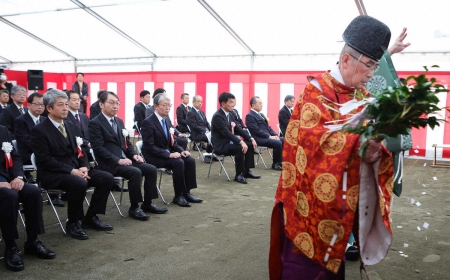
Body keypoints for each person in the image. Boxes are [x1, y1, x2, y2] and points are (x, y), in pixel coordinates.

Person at [268, 15, 394, 279]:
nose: (371, 74)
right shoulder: (316, 92)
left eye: (375, 66)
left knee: (334, 268)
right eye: (369, 66)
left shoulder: (359, 95)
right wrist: (361, 144)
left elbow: (370, 136)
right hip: (308, 205)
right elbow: (315, 147)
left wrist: (375, 149)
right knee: (307, 271)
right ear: (347, 60)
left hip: (342, 204)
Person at [31, 89, 116, 240]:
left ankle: (91, 216)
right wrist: (71, 170)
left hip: (76, 169)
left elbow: (81, 149)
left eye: (66, 104)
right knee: (78, 183)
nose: (65, 108)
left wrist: (84, 166)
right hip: (53, 173)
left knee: (107, 178)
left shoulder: (71, 126)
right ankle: (73, 222)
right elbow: (45, 159)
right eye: (60, 105)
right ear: (49, 108)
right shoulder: (39, 130)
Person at [88, 91, 165, 220]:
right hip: (109, 163)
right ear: (101, 104)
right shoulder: (95, 123)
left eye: (117, 103)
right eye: (111, 103)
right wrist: (118, 160)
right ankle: (135, 208)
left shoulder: (119, 120)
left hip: (126, 160)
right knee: (135, 172)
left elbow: (127, 142)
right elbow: (98, 148)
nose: (115, 106)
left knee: (150, 169)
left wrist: (134, 155)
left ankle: (148, 203)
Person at [0, 125, 56, 272]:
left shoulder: (2, 130)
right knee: (9, 196)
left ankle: (32, 241)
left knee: (33, 192)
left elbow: (15, 157)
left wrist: (18, 177)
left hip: (8, 178)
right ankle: (11, 245)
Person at [141, 93, 203, 207]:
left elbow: (172, 142)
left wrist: (181, 151)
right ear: (155, 106)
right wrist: (168, 155)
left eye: (169, 105)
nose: (168, 108)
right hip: (153, 156)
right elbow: (149, 147)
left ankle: (186, 192)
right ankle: (178, 195)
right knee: (178, 162)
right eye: (164, 105)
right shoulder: (148, 122)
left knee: (189, 159)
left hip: (165, 152)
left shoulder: (166, 120)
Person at [14, 92, 65, 206]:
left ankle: (59, 189)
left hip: (44, 152)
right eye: (37, 104)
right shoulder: (21, 120)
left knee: (58, 157)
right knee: (47, 159)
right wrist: (45, 147)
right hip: (28, 154)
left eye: (42, 105)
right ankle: (53, 194)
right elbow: (25, 141)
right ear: (29, 105)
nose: (40, 107)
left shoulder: (45, 119)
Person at [211, 92, 260, 184]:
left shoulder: (230, 114)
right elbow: (226, 133)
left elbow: (238, 128)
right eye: (231, 102)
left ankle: (247, 171)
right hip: (221, 145)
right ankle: (239, 174)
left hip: (229, 143)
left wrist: (251, 138)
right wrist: (241, 142)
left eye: (234, 102)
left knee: (249, 144)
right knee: (240, 148)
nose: (234, 104)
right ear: (223, 104)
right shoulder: (217, 116)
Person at [245, 96, 283, 171]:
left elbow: (268, 127)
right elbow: (256, 130)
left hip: (266, 137)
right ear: (253, 105)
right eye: (259, 103)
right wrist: (269, 136)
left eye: (261, 103)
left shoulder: (261, 114)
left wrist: (275, 135)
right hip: (258, 139)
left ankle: (281, 161)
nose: (261, 105)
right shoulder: (250, 116)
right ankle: (276, 164)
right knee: (278, 143)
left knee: (283, 140)